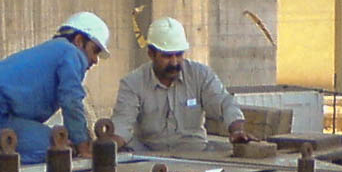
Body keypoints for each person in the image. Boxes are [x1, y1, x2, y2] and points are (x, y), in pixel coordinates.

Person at [0, 12, 108, 165]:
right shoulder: (72, 53)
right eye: (95, 51)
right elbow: (71, 101)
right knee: (56, 148)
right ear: (79, 41)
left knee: (60, 142)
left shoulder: (54, 51)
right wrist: (83, 147)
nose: (95, 60)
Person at [108, 17, 257, 153]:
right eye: (166, 56)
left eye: (178, 55)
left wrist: (237, 130)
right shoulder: (132, 83)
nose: (174, 62)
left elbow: (224, 103)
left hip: (196, 154)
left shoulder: (200, 74)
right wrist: (107, 147)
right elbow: (122, 124)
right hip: (149, 156)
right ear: (151, 54)